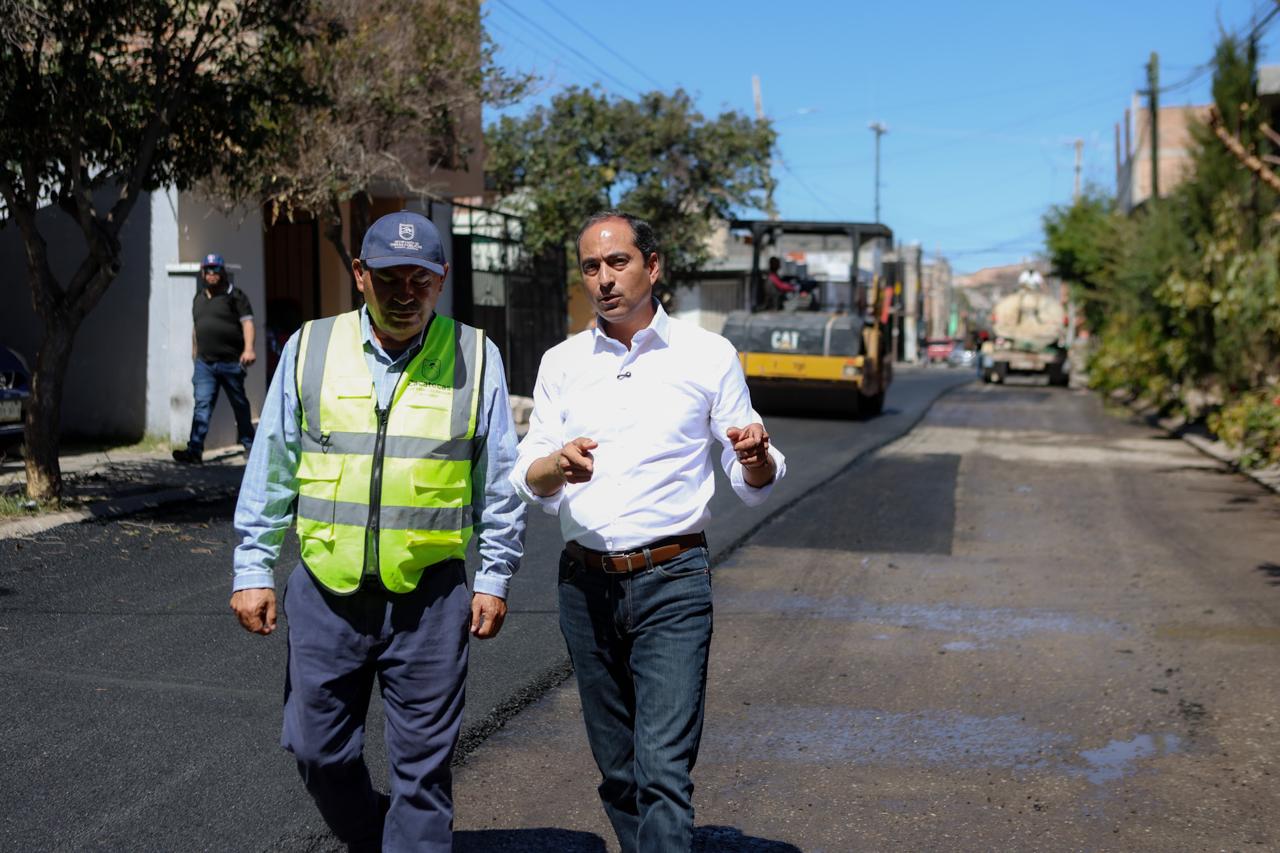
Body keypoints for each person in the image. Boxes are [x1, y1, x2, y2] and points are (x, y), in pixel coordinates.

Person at [229, 211, 526, 852]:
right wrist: (253, 568)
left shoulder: (476, 355)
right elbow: (274, 462)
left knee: (424, 771)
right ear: (360, 276)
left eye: (421, 279)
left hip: (430, 597)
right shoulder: (309, 348)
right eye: (390, 277)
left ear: (441, 280)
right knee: (316, 750)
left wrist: (496, 575)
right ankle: (376, 837)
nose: (405, 292)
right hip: (326, 593)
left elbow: (499, 480)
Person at [511, 211, 786, 852]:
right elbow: (529, 471)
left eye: (618, 262)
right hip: (584, 588)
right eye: (590, 267)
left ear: (652, 266)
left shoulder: (707, 354)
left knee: (663, 769)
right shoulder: (562, 362)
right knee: (619, 774)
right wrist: (557, 465)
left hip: (672, 581)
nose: (604, 278)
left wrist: (753, 456)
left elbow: (753, 468)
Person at [173, 253, 257, 464]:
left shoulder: (235, 296)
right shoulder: (199, 298)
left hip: (231, 362)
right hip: (205, 364)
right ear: (203, 273)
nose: (211, 274)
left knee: (239, 404)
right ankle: (194, 451)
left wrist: (249, 349)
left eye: (216, 270)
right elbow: (197, 327)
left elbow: (247, 323)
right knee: (202, 405)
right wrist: (195, 351)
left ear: (222, 273)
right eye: (208, 270)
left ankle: (251, 445)